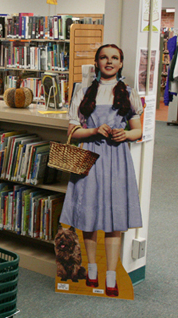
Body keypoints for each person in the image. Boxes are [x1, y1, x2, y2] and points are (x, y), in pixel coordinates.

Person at [59, 44, 143, 297]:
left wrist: (125, 133)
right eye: (104, 57)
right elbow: (72, 132)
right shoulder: (83, 91)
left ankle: (111, 275)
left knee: (114, 217)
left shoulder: (128, 92)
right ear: (97, 62)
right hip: (89, 158)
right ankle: (92, 270)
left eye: (114, 58)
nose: (109, 61)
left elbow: (138, 131)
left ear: (120, 63)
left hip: (117, 159)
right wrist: (95, 130)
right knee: (89, 215)